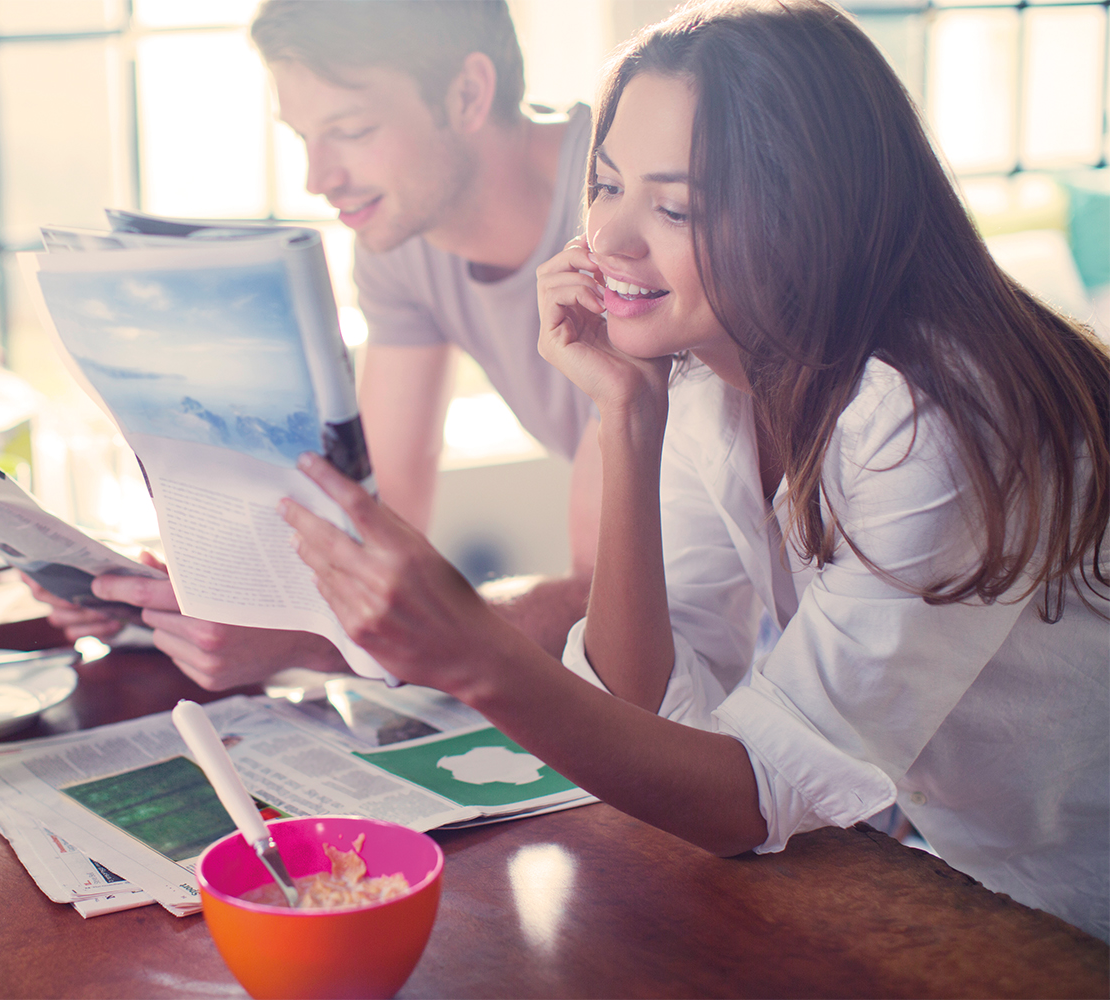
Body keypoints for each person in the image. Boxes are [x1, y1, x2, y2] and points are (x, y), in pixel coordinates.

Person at [280, 0, 1110, 940]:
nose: (614, 240)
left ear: (807, 213)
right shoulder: (710, 375)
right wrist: (626, 418)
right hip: (969, 873)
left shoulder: (924, 418)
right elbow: (649, 706)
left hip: (1080, 894)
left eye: (674, 207)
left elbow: (745, 801)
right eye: (605, 186)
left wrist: (481, 660)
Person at [36, 0, 603, 688]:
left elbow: (601, 599)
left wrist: (320, 646)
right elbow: (372, 521)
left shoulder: (628, 206)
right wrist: (162, 598)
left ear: (468, 93)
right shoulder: (399, 241)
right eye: (304, 136)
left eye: (352, 130)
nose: (319, 178)